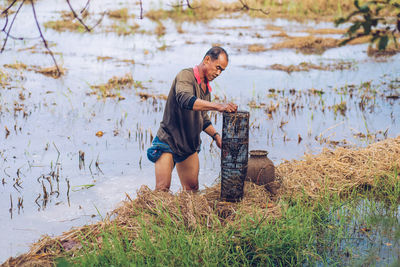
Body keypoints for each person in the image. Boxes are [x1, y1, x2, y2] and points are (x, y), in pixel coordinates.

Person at [147, 46, 237, 192]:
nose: (219, 73)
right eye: (218, 67)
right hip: (168, 140)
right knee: (162, 190)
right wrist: (219, 106)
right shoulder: (185, 76)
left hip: (188, 145)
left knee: (192, 189)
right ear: (207, 59)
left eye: (222, 70)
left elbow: (203, 118)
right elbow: (185, 99)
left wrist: (216, 136)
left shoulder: (206, 89)